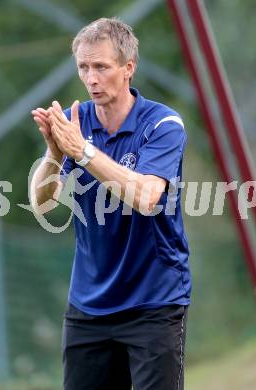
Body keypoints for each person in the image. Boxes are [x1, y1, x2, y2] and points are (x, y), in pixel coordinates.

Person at [31, 17, 191, 390]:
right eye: (84, 68)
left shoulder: (163, 124)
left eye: (101, 66)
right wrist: (54, 154)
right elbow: (41, 202)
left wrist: (83, 152)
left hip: (154, 302)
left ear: (128, 68)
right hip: (89, 306)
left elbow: (147, 197)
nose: (91, 78)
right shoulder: (77, 123)